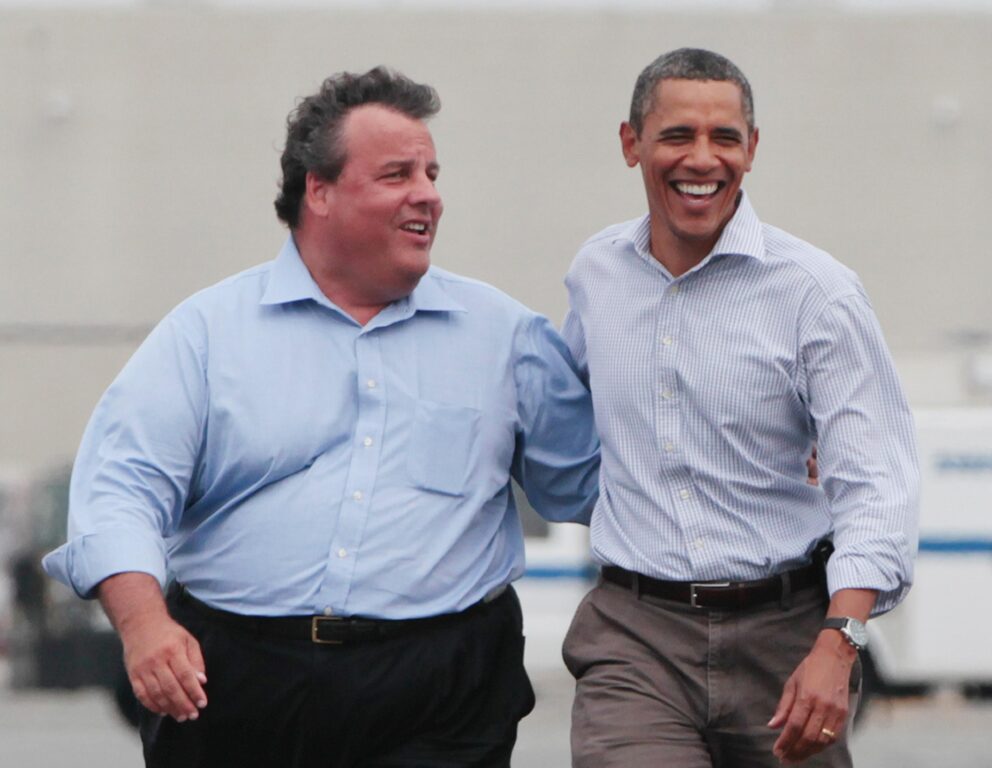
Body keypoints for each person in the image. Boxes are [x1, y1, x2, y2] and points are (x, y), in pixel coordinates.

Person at [42, 67, 600, 768]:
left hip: (441, 691)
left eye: (432, 172)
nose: (428, 194)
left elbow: (591, 484)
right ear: (319, 190)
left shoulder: (506, 337)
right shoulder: (207, 334)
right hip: (240, 683)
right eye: (397, 174)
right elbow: (120, 491)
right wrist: (145, 625)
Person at [560, 48, 919, 767]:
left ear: (751, 149)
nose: (703, 158)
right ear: (631, 145)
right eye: (676, 136)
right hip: (637, 636)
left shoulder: (818, 295)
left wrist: (838, 644)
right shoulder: (596, 275)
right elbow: (563, 421)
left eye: (724, 138)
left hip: (785, 636)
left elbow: (875, 483)